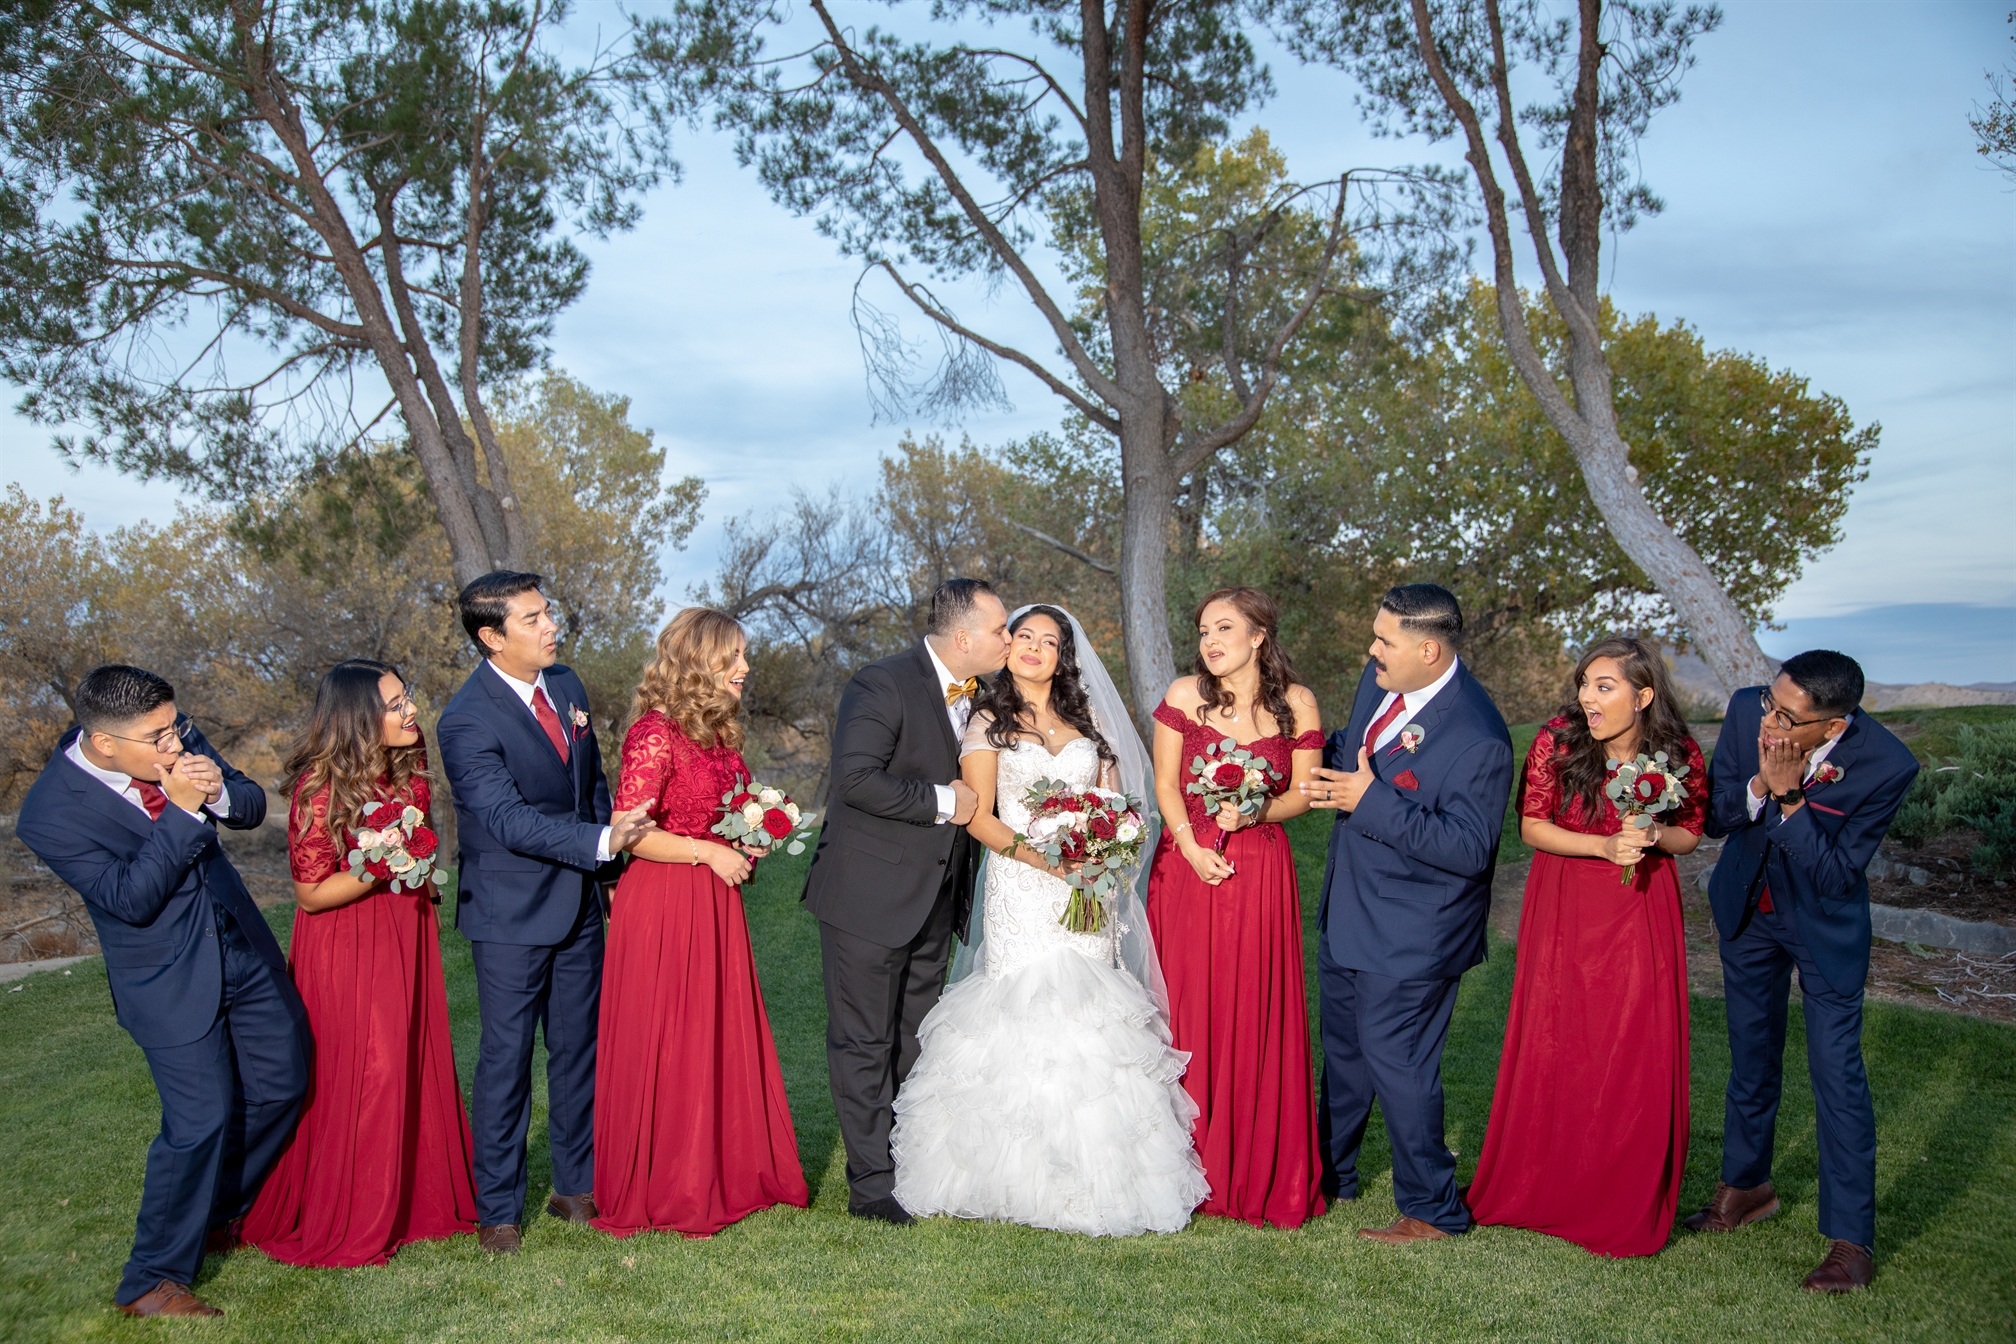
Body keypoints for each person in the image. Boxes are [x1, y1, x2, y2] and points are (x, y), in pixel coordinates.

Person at [892, 605, 1207, 1235]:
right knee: (1024, 1007)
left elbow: (1118, 806)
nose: (1035, 648)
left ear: (1065, 656)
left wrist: (1104, 849)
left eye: (1050, 641)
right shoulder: (989, 721)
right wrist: (1045, 860)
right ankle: (1007, 1175)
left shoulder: (1088, 722)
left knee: (1092, 1014)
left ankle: (1102, 1177)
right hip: (1023, 884)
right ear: (1007, 648)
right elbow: (978, 816)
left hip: (1086, 889)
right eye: (1025, 637)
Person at [16, 665, 310, 1318]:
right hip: (167, 977)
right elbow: (130, 899)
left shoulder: (168, 734)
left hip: (239, 946)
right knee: (199, 1122)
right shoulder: (49, 815)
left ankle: (212, 1215)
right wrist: (180, 810)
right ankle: (150, 1282)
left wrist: (219, 792)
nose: (175, 744)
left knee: (284, 1083)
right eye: (159, 738)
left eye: (176, 728)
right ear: (104, 742)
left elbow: (249, 804)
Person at [436, 572, 656, 1254]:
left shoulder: (566, 686)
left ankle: (574, 1186)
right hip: (508, 916)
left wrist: (607, 874)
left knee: (578, 1048)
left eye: (547, 612)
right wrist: (603, 842)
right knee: (506, 1061)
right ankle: (498, 1210)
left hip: (580, 902)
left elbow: (589, 787)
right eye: (531, 619)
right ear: (491, 636)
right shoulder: (465, 720)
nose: (550, 626)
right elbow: (506, 820)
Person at [1463, 637, 1705, 1257]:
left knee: (1632, 1037)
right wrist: (1602, 846)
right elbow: (1531, 827)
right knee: (1559, 1032)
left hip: (1641, 904)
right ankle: (1545, 1184)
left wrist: (1652, 833)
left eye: (1604, 686)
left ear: (1642, 696)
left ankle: (1616, 1192)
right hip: (1566, 898)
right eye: (1584, 684)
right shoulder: (1559, 740)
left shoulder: (1677, 751)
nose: (1587, 698)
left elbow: (1690, 835)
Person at [1687, 650, 1918, 1293]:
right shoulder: (1746, 711)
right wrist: (1760, 786)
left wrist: (1791, 798)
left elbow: (1837, 875)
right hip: (1749, 912)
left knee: (1837, 1077)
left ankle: (1851, 1239)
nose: (1770, 720)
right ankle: (1745, 1187)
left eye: (1787, 717)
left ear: (1833, 726)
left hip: (1823, 929)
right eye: (1771, 701)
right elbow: (1715, 818)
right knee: (1751, 1057)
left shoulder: (1887, 763)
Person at [241, 660, 480, 1264]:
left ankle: (417, 1200)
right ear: (357, 719)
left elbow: (420, 843)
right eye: (396, 705)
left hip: (406, 928)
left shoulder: (407, 766)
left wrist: (418, 868)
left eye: (407, 697)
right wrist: (381, 864)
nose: (411, 711)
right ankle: (357, 1208)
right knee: (373, 1069)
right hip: (346, 942)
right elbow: (311, 893)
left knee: (411, 1056)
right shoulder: (319, 789)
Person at [1302, 584, 1514, 1244]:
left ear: (1428, 650)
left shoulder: (1479, 736)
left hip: (1414, 933)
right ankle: (1329, 1175)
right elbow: (1353, 747)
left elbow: (1469, 848)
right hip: (1350, 911)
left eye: (1384, 640)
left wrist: (1370, 800)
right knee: (1344, 1056)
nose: (1372, 649)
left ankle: (1432, 1208)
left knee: (1400, 1064)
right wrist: (1292, 752)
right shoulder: (1380, 681)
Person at [591, 609, 809, 1237]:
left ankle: (722, 1165)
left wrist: (747, 839)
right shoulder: (654, 733)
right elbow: (628, 832)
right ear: (698, 661)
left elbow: (720, 814)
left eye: (744, 656)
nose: (745, 667)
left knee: (710, 1032)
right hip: (663, 902)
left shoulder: (717, 734)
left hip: (713, 904)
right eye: (732, 656)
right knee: (670, 1034)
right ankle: (669, 1182)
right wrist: (708, 852)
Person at [802, 577, 1010, 1224]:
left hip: (937, 899)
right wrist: (947, 802)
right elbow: (856, 779)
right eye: (1000, 630)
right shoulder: (881, 683)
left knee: (915, 1039)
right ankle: (870, 1188)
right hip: (867, 897)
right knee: (864, 1041)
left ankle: (906, 1163)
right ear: (964, 637)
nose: (1009, 640)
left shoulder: (985, 698)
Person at [1146, 587, 1327, 1229]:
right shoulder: (1182, 696)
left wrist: (1256, 810)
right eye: (1202, 631)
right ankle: (1177, 1163)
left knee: (1253, 1003)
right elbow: (1165, 784)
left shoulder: (1297, 702)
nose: (1210, 642)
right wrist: (1191, 847)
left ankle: (1251, 1166)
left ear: (1258, 636)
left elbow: (1303, 793)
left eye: (1224, 628)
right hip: (1188, 865)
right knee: (1187, 1003)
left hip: (1260, 869)